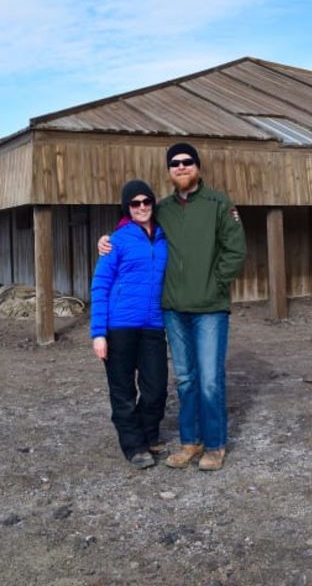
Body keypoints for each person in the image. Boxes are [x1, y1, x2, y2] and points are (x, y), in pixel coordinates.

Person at [100, 142, 246, 471]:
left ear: (197, 166)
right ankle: (190, 442)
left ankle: (215, 445)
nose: (181, 167)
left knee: (209, 378)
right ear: (169, 171)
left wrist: (216, 284)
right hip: (174, 310)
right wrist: (105, 240)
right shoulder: (162, 208)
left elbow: (235, 251)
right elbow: (134, 224)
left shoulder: (219, 203)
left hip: (209, 307)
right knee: (186, 379)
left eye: (187, 162)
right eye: (174, 164)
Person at [90, 180, 169, 469]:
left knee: (156, 388)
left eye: (146, 201)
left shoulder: (164, 237)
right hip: (119, 326)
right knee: (123, 390)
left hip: (153, 325)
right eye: (135, 203)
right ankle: (134, 446)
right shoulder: (116, 241)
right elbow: (100, 285)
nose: (142, 207)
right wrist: (98, 333)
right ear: (127, 207)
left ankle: (149, 436)